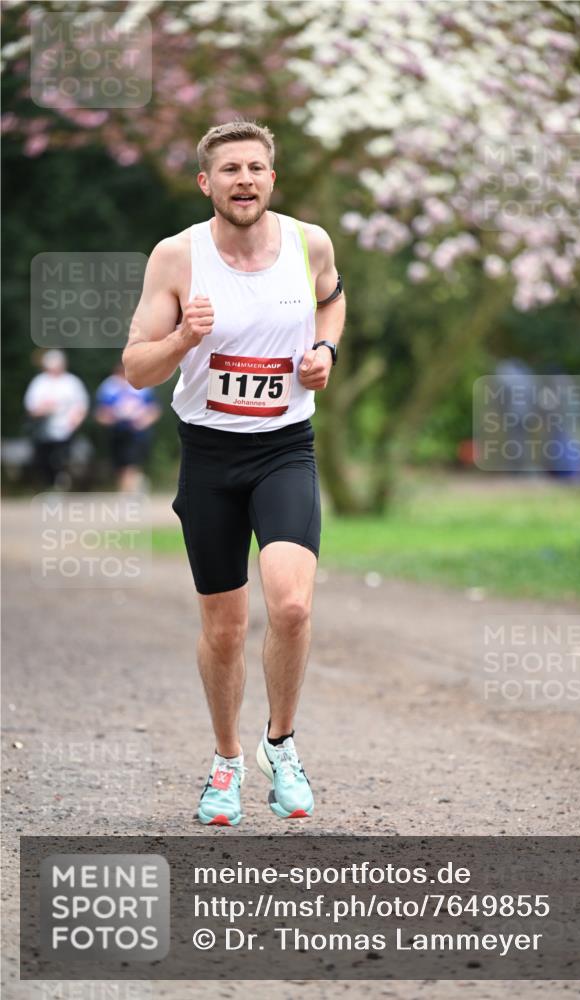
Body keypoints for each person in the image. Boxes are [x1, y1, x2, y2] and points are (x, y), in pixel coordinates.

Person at [122, 120, 345, 826]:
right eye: (229, 170)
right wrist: (185, 337)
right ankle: (225, 763)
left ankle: (280, 745)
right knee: (224, 630)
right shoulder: (176, 257)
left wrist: (325, 352)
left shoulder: (309, 242)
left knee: (291, 605)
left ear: (271, 179)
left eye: (255, 168)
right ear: (206, 183)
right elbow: (134, 369)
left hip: (284, 448)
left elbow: (333, 297)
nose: (243, 179)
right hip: (210, 455)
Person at [23, 349, 89, 488]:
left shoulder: (72, 382)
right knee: (42, 460)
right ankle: (50, 485)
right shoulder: (39, 382)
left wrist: (75, 421)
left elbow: (81, 405)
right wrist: (42, 410)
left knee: (62, 459)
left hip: (66, 429)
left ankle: (61, 483)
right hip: (43, 430)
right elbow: (31, 407)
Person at [95, 361, 162, 491]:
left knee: (131, 463)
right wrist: (111, 418)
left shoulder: (143, 386)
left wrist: (143, 422)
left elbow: (154, 409)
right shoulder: (108, 387)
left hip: (137, 432)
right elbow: (100, 412)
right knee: (120, 465)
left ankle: (128, 492)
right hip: (117, 430)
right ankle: (131, 487)